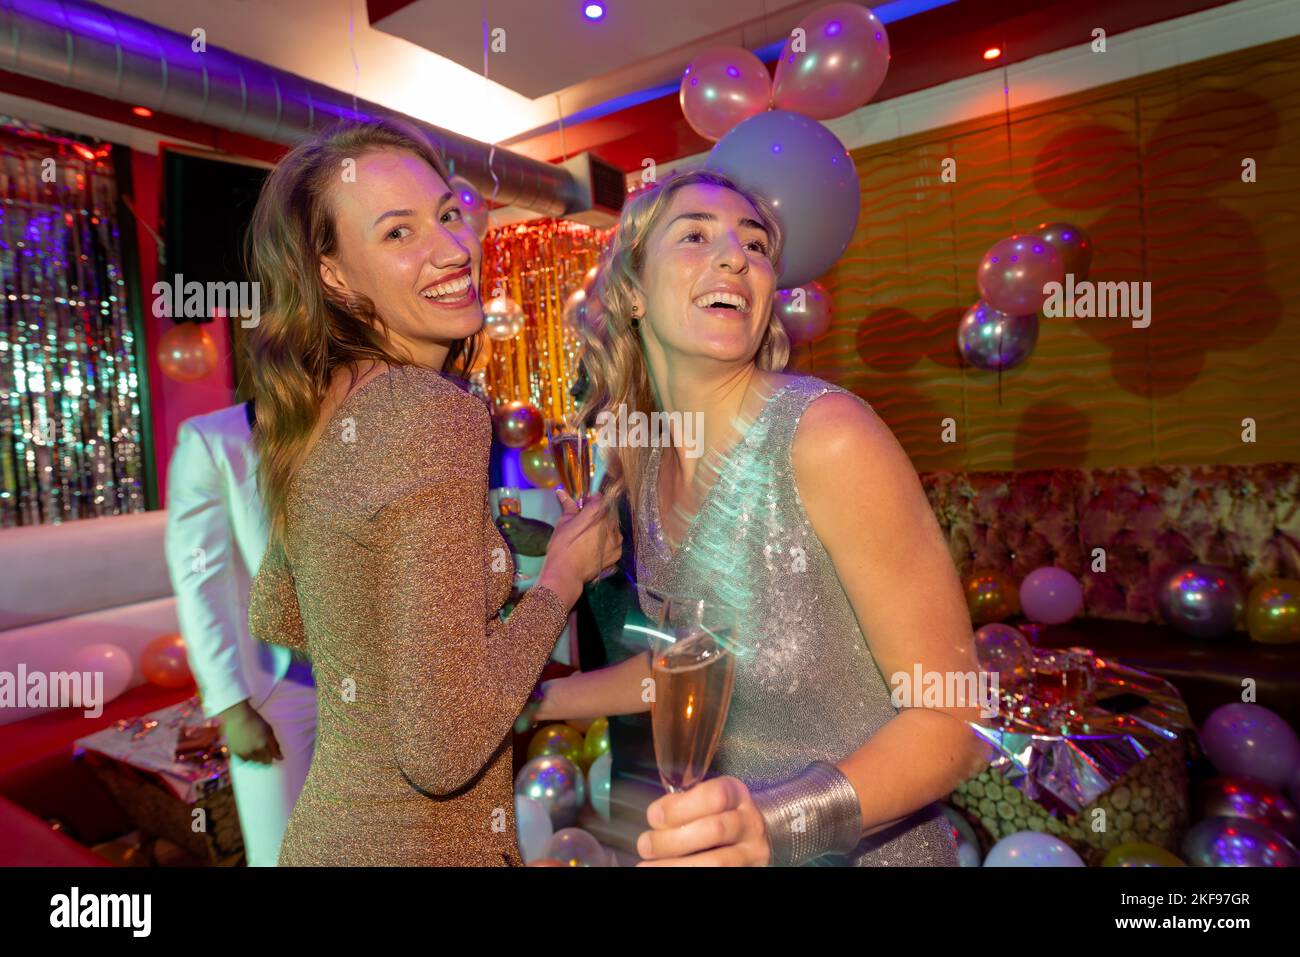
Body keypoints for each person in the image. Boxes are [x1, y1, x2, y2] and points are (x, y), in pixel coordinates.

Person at [529, 168, 989, 866]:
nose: (735, 257)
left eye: (755, 245)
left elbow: (957, 719)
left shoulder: (827, 436)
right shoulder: (642, 462)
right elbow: (684, 666)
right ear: (630, 292)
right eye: (694, 235)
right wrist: (528, 703)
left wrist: (772, 824)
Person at [243, 118, 620, 866]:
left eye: (448, 215)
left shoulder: (321, 406)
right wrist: (559, 581)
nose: (452, 250)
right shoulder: (429, 411)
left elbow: (280, 610)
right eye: (397, 233)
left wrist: (451, 587)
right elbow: (442, 749)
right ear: (334, 274)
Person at [165, 399, 318, 866]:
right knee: (279, 851)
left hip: (368, 682)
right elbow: (200, 582)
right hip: (276, 686)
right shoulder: (214, 440)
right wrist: (231, 704)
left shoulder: (359, 424)